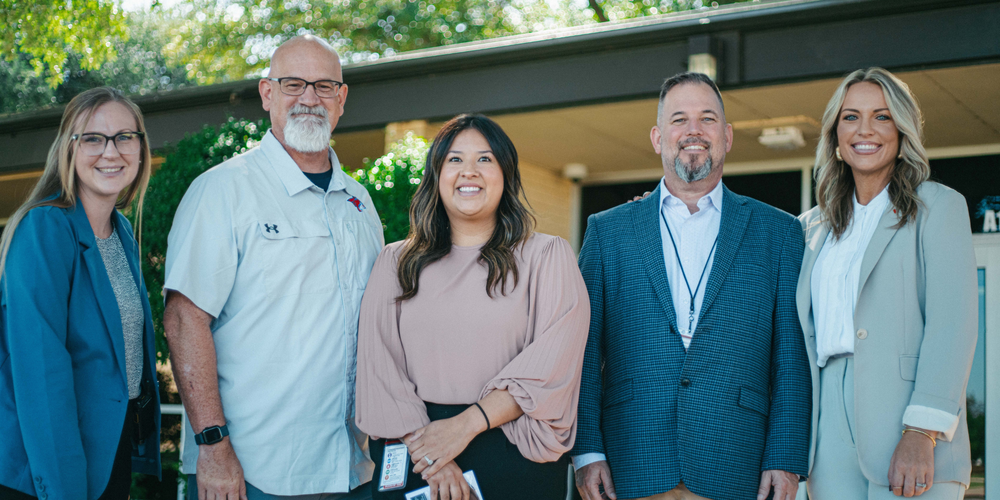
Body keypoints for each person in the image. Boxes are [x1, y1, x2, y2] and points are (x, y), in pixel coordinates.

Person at [573, 72, 812, 500]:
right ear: (657, 136)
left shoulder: (779, 232)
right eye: (679, 119)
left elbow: (790, 356)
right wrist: (586, 451)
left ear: (728, 135)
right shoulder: (607, 232)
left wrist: (786, 455)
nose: (694, 131)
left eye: (708, 118)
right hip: (629, 458)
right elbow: (583, 351)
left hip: (738, 458)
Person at [163, 35, 382, 500]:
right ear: (267, 94)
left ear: (341, 99)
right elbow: (185, 321)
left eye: (324, 86)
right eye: (293, 84)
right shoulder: (222, 191)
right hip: (250, 474)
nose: (309, 98)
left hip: (350, 468)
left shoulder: (360, 203)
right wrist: (213, 448)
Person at [355, 114, 590, 500]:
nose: (470, 172)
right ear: (436, 175)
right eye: (454, 160)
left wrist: (464, 427)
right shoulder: (394, 262)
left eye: (485, 159)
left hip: (512, 449)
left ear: (505, 175)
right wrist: (433, 455)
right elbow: (379, 370)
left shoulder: (547, 256)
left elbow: (552, 365)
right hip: (416, 453)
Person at [799, 68, 977, 500]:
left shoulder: (938, 207)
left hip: (910, 419)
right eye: (850, 117)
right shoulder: (810, 229)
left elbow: (952, 325)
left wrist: (922, 431)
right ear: (835, 135)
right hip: (827, 427)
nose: (865, 130)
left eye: (881, 116)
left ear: (901, 130)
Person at [0, 87, 161, 500]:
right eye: (93, 138)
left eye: (125, 137)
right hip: (48, 467)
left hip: (108, 453)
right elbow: (41, 373)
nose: (111, 151)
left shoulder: (121, 231)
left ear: (141, 148)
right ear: (68, 150)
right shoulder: (45, 229)